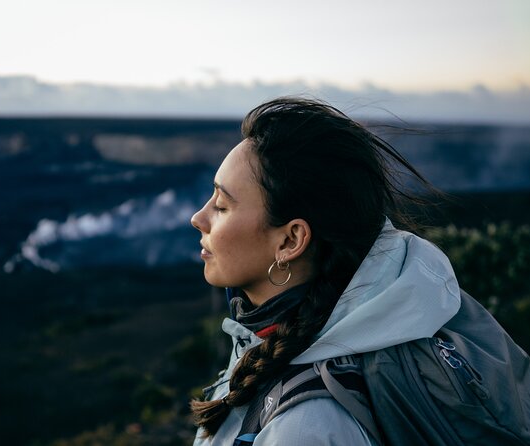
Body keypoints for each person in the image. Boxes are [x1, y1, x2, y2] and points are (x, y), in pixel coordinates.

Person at [189, 97, 461, 445]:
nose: (198, 218)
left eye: (222, 205)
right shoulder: (278, 339)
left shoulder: (306, 429)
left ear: (290, 241)